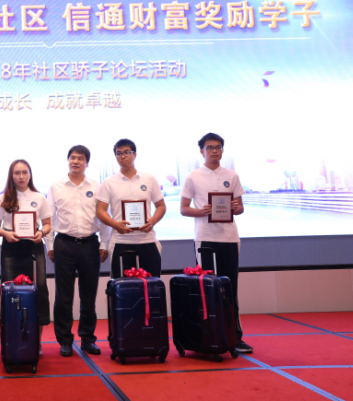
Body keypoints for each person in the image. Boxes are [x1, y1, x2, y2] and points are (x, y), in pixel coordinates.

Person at [180, 133, 252, 354]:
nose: (214, 151)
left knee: (230, 289)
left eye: (218, 147)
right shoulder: (193, 176)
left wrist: (234, 207)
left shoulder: (232, 175)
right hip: (205, 238)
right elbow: (184, 209)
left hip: (229, 238)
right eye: (210, 147)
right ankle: (207, 336)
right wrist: (202, 211)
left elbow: (240, 208)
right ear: (201, 151)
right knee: (205, 288)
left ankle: (234, 337)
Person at [46, 145, 107, 358]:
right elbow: (49, 217)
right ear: (68, 160)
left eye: (80, 158)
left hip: (90, 244)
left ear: (86, 163)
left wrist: (104, 243)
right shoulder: (56, 186)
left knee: (88, 295)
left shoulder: (97, 186)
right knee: (63, 296)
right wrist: (50, 245)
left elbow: (103, 216)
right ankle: (65, 340)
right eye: (72, 157)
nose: (75, 161)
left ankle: (88, 339)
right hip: (64, 244)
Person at [0, 159, 52, 356]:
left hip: (34, 247)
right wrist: (6, 234)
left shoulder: (39, 197)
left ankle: (37, 341)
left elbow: (48, 224)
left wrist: (41, 233)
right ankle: (11, 339)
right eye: (17, 173)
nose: (21, 176)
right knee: (10, 292)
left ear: (30, 174)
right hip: (11, 247)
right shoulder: (2, 198)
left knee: (38, 291)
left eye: (25, 172)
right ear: (11, 176)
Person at [97, 139, 167, 278]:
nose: (122, 156)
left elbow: (161, 206)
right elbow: (100, 210)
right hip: (121, 242)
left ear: (135, 154)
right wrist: (115, 225)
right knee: (122, 287)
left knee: (151, 286)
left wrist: (152, 221)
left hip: (147, 240)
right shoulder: (109, 182)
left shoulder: (149, 179)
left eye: (127, 152)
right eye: (119, 153)